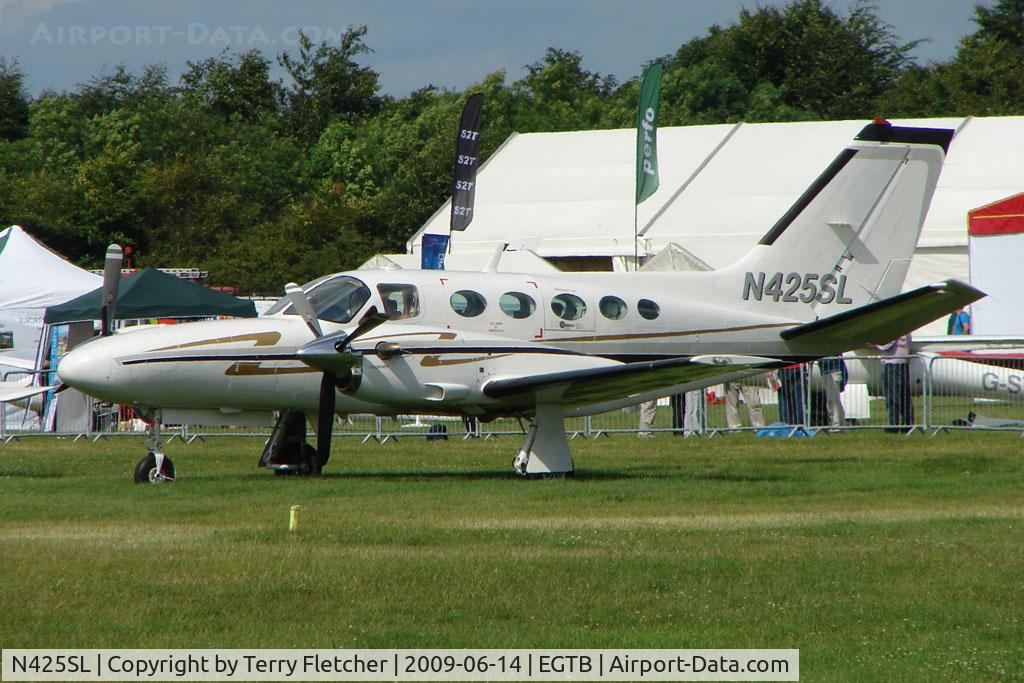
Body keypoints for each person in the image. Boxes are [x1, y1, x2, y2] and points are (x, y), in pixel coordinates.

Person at [876, 333, 914, 431]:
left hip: (892, 363)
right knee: (904, 396)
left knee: (893, 397)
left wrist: (874, 344)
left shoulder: (894, 328)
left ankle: (894, 425)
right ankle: (907, 423)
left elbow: (886, 344)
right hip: (903, 362)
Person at [817, 356, 848, 429]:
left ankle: (837, 425)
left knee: (833, 401)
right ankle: (839, 424)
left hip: (832, 373)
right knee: (833, 401)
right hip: (827, 373)